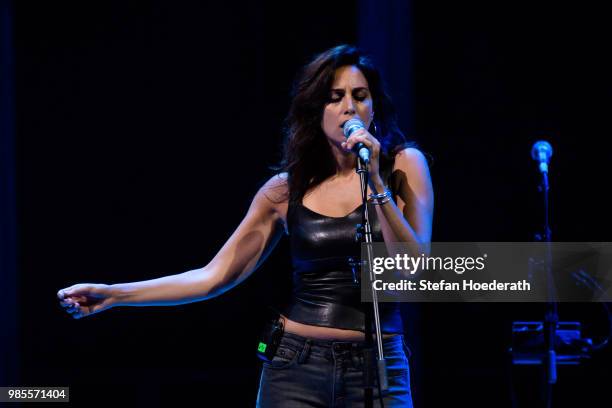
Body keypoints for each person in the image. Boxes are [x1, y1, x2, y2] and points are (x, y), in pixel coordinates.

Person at [57, 44, 434, 407]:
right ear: (315, 109)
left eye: (360, 95)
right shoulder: (286, 189)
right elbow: (213, 276)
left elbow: (412, 272)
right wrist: (115, 295)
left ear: (374, 106)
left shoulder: (402, 166)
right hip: (294, 367)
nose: (349, 106)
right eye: (334, 97)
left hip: (377, 366)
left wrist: (377, 185)